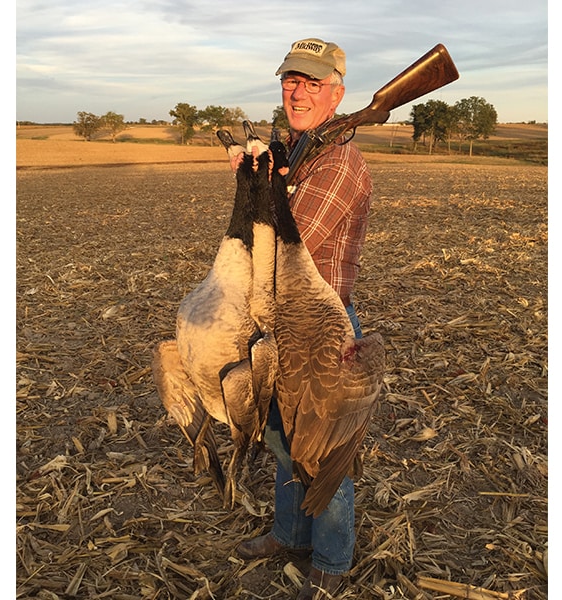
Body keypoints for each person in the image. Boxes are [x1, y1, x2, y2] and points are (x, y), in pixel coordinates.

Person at [233, 38, 374, 600]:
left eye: (312, 83)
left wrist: (258, 187)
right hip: (279, 327)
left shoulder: (339, 161)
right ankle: (290, 535)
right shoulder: (296, 151)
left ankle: (331, 562)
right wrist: (257, 176)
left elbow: (292, 250)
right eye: (290, 80)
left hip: (324, 332)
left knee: (322, 452)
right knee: (282, 441)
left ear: (337, 93)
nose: (297, 91)